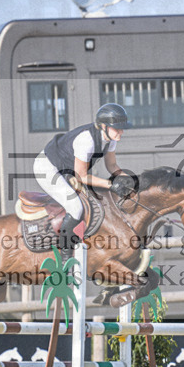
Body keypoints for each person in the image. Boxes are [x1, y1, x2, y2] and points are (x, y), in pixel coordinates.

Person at [33, 103, 136, 256]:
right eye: (117, 128)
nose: (121, 132)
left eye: (122, 128)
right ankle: (65, 256)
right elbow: (81, 176)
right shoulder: (86, 140)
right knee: (76, 207)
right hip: (47, 168)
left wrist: (130, 180)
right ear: (103, 126)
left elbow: (112, 166)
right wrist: (111, 184)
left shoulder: (111, 138)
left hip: (66, 170)